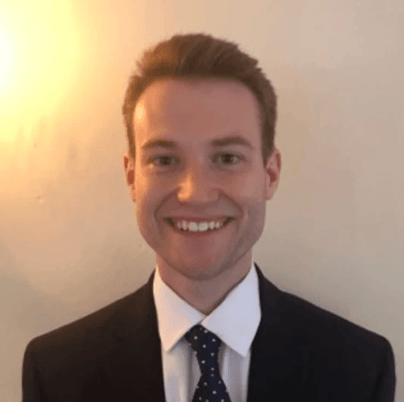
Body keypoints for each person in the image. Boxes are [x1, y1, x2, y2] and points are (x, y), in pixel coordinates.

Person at [22, 33, 396, 402]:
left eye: (227, 158)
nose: (195, 194)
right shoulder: (55, 373)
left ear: (270, 174)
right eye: (164, 160)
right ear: (132, 177)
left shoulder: (360, 370)